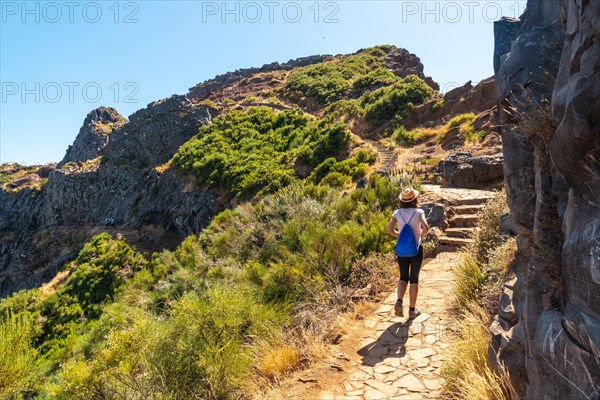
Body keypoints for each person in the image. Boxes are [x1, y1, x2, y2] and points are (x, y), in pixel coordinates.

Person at [386, 186, 429, 319]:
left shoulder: (397, 213)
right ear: (415, 198)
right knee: (414, 279)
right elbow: (426, 228)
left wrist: (399, 234)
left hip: (402, 249)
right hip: (415, 248)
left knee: (403, 277)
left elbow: (389, 229)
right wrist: (420, 234)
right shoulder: (419, 212)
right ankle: (412, 310)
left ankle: (399, 301)